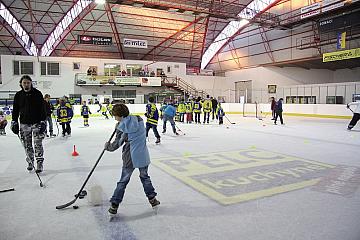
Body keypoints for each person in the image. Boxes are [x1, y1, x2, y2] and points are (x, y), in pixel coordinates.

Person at [105, 104, 160, 215]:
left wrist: (108, 146)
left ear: (120, 116)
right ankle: (153, 200)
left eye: (115, 116)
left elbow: (117, 143)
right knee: (145, 177)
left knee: (123, 181)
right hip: (143, 154)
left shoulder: (121, 128)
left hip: (130, 156)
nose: (115, 118)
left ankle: (114, 204)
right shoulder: (139, 120)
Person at [11, 75, 47, 173]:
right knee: (27, 145)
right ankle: (30, 161)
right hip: (24, 124)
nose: (26, 84)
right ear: (21, 84)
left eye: (28, 82)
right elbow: (15, 110)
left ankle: (39, 162)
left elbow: (42, 109)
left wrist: (43, 121)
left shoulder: (38, 94)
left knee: (38, 144)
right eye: (24, 83)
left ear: (31, 83)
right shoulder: (18, 95)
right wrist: (14, 121)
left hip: (37, 123)